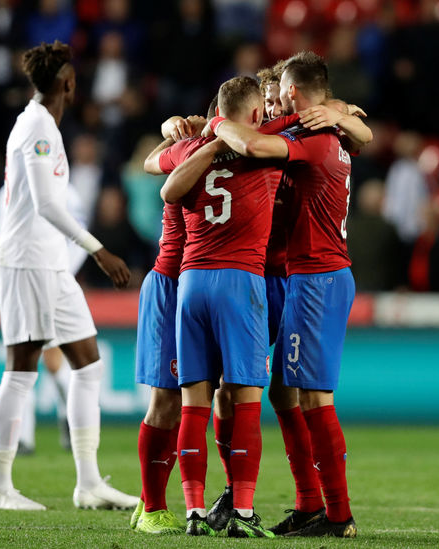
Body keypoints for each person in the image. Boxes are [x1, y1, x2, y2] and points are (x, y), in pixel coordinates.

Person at [210, 51, 362, 538]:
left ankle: (335, 513)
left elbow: (255, 146)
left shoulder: (310, 137)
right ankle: (291, 501)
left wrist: (217, 127)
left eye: (279, 96)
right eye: (267, 99)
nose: (273, 104)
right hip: (295, 275)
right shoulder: (322, 131)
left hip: (306, 276)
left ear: (289, 96)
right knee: (269, 389)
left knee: (312, 395)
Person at [0, 40, 138, 512]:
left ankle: (89, 482)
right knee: (21, 372)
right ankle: (0, 488)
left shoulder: (42, 123)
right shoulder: (36, 127)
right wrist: (98, 251)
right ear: (68, 83)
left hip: (49, 264)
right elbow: (48, 204)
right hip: (29, 262)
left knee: (88, 366)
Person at [156, 76, 283, 538]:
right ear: (253, 115)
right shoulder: (268, 142)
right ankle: (243, 513)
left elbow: (159, 173)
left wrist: (192, 132)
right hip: (240, 281)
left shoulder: (191, 149)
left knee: (194, 405)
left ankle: (193, 511)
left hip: (191, 282)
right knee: (246, 401)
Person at [129, 105, 211, 535]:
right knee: (167, 401)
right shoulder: (200, 149)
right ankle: (154, 508)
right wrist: (172, 132)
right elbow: (148, 163)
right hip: (171, 283)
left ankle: (148, 498)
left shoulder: (247, 153)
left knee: (194, 403)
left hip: (204, 286)